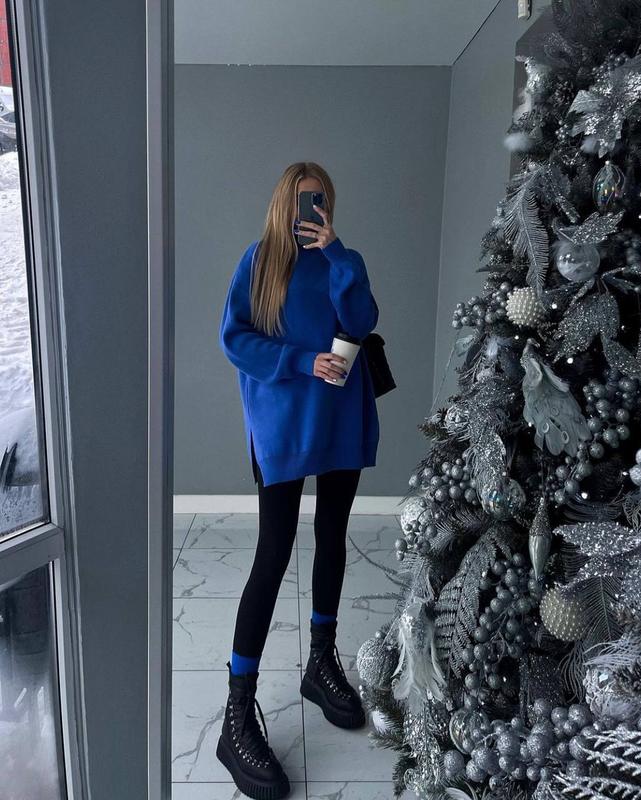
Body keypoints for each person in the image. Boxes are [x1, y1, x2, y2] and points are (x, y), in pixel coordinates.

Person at [215, 162, 380, 799]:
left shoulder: (345, 260)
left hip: (339, 415)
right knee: (273, 554)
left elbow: (360, 321)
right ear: (284, 202)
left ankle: (320, 660)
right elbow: (235, 338)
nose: (313, 209)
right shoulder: (257, 262)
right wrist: (300, 361)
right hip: (283, 422)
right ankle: (237, 711)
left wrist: (337, 254)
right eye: (304, 199)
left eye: (322, 200)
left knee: (333, 538)